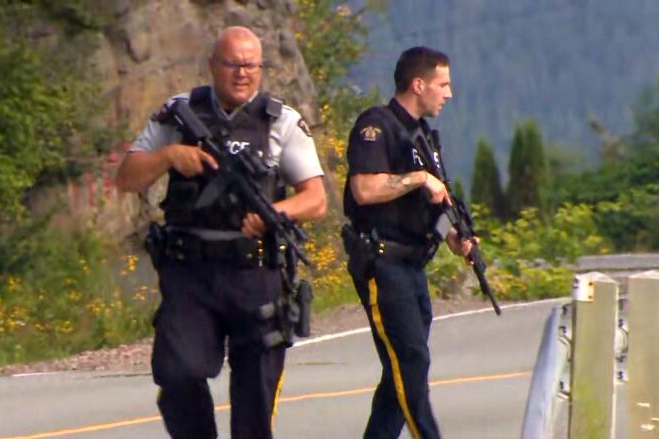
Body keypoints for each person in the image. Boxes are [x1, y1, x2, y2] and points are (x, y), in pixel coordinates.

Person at [115, 26, 326, 439]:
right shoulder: (178, 114)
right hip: (190, 274)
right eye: (233, 63)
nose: (243, 73)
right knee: (177, 373)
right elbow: (126, 178)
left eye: (252, 65)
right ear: (213, 65)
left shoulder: (281, 121)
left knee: (254, 401)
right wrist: (168, 156)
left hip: (256, 274)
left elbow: (315, 199)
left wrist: (275, 214)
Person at [341, 47, 473, 439]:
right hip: (382, 263)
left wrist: (452, 235)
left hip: (412, 267)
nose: (448, 94)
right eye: (442, 84)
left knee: (402, 371)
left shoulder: (422, 137)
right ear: (418, 84)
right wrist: (418, 179)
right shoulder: (376, 127)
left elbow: (425, 206)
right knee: (411, 362)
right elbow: (364, 189)